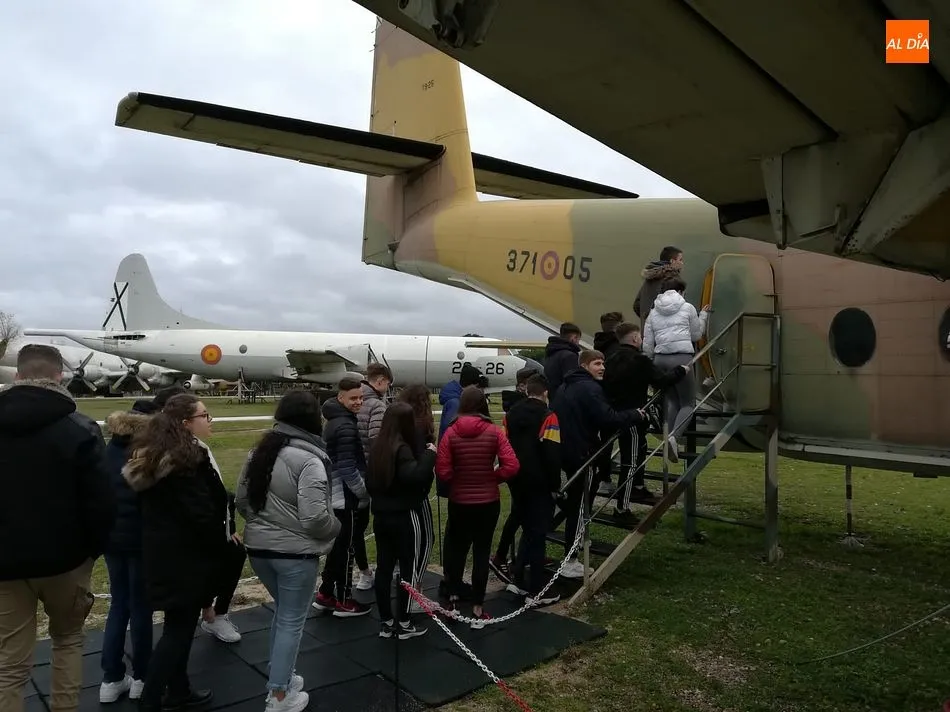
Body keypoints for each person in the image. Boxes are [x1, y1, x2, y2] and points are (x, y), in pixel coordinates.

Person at [0, 344, 114, 712]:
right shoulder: (80, 428)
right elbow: (102, 501)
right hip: (67, 561)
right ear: (60, 377)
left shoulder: (79, 427)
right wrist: (91, 552)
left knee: (9, 663)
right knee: (68, 641)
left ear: (18, 376)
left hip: (7, 565)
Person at [236, 390, 341, 712]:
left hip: (259, 550)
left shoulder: (260, 452)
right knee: (291, 621)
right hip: (294, 555)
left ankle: (281, 677)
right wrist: (336, 528)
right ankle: (279, 695)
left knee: (284, 616)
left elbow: (242, 501)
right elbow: (315, 518)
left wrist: (264, 526)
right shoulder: (309, 459)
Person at [123, 394, 224, 711]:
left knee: (177, 626)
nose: (209, 421)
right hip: (186, 556)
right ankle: (151, 700)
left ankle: (179, 689)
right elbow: (202, 513)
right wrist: (217, 545)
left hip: (163, 552)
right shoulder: (186, 461)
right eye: (204, 415)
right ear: (185, 423)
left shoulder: (155, 455)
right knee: (178, 631)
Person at [552, 350, 644, 579]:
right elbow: (608, 418)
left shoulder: (565, 386)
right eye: (597, 363)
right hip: (584, 455)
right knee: (581, 506)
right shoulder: (590, 388)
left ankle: (580, 540)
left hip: (567, 451)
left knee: (577, 503)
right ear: (584, 366)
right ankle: (571, 559)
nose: (602, 368)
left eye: (603, 363)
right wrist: (635, 414)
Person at [436, 386, 519, 627]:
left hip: (460, 501)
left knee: (457, 550)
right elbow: (512, 465)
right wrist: (493, 477)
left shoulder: (451, 432)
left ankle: (452, 600)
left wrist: (459, 479)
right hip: (488, 501)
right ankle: (478, 607)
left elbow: (442, 471)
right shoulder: (494, 432)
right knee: (482, 552)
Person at [603, 323, 689, 519]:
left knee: (639, 450)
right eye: (640, 336)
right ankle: (622, 508)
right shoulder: (639, 360)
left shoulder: (611, 358)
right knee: (630, 463)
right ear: (635, 338)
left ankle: (638, 486)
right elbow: (662, 380)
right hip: (633, 416)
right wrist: (681, 371)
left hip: (613, 414)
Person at [366, 402, 437, 639]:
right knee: (409, 568)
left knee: (384, 568)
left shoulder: (377, 446)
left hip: (381, 516)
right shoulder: (402, 449)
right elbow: (415, 477)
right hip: (405, 516)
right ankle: (404, 622)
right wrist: (430, 454)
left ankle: (386, 620)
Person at [314, 377, 372, 616]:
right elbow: (348, 468)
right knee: (346, 549)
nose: (358, 402)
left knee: (338, 548)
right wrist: (364, 493)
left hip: (335, 494)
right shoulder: (346, 425)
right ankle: (344, 600)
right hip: (346, 497)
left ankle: (326, 593)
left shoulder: (336, 419)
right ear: (340, 398)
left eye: (361, 397)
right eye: (353, 398)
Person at [503, 374, 562, 605]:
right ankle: (537, 590)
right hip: (540, 483)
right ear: (545, 392)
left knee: (527, 530)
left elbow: (504, 445)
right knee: (538, 534)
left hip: (516, 479)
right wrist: (555, 485)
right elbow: (552, 453)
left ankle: (518, 580)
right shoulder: (549, 416)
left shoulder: (510, 414)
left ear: (527, 391)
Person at [642, 276, 711, 461]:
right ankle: (674, 437)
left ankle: (668, 439)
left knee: (672, 400)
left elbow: (647, 343)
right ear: (680, 291)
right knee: (688, 403)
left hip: (660, 359)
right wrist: (703, 316)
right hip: (681, 357)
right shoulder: (687, 307)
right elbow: (696, 335)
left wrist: (650, 361)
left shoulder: (653, 312)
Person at [395, 384, 438, 611]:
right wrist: (431, 454)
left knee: (409, 544)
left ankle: (410, 590)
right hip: (415, 495)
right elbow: (420, 467)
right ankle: (414, 593)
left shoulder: (396, 427)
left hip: (398, 494)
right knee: (423, 542)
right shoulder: (418, 429)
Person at [353, 364, 393, 593]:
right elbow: (377, 441)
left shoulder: (353, 400)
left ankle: (363, 572)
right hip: (371, 473)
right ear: (380, 381)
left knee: (357, 528)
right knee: (379, 524)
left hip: (352, 472)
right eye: (388, 383)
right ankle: (380, 571)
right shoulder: (377, 405)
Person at [592, 312, 624, 488]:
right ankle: (627, 482)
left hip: (600, 398)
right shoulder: (618, 349)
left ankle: (604, 476)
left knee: (604, 441)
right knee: (623, 441)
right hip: (617, 400)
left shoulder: (598, 347)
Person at [633, 246, 684, 327]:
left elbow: (637, 305)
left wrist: (647, 319)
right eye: (680, 260)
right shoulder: (671, 280)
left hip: (647, 329)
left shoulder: (649, 278)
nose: (682, 263)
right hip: (666, 330)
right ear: (672, 261)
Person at [542, 322, 582, 397]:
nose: (578, 343)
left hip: (553, 398)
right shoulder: (570, 356)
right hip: (566, 400)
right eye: (578, 340)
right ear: (574, 338)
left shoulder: (550, 354)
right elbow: (573, 383)